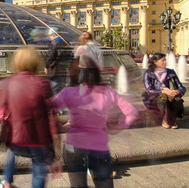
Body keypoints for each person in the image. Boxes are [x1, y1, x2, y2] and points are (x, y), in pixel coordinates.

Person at [48, 56, 138, 188]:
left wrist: (60, 126)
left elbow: (48, 108)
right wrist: (116, 128)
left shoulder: (68, 92)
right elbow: (132, 112)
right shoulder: (107, 92)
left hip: (73, 147)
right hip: (99, 148)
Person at [0, 46, 58, 188]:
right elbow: (52, 117)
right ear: (36, 62)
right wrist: (56, 153)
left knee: (11, 150)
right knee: (38, 175)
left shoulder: (7, 83)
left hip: (16, 141)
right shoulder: (43, 84)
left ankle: (5, 181)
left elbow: (1, 111)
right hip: (39, 143)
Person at [143, 53, 186, 129]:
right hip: (155, 97)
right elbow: (149, 91)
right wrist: (164, 92)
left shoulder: (171, 72)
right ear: (155, 62)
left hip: (171, 95)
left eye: (165, 60)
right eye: (162, 60)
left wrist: (177, 92)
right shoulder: (148, 73)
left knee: (178, 100)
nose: (165, 62)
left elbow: (182, 88)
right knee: (162, 100)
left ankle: (171, 121)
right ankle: (167, 120)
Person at [45, 27, 67, 94]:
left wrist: (46, 66)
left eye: (50, 36)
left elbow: (51, 55)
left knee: (54, 88)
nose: (50, 38)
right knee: (62, 87)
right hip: (64, 67)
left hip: (55, 68)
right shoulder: (65, 42)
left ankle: (57, 102)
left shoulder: (53, 43)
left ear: (52, 35)